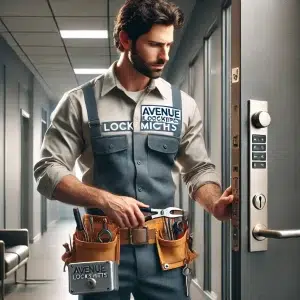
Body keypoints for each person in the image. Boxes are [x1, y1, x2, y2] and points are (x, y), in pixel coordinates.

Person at [34, 0, 234, 299]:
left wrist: (214, 203)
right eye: (154, 44)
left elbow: (198, 169)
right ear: (126, 40)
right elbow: (47, 170)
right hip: (101, 247)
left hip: (164, 252)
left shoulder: (182, 105)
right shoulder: (79, 102)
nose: (164, 56)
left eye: (168, 44)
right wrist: (105, 199)